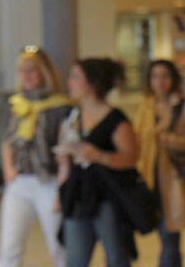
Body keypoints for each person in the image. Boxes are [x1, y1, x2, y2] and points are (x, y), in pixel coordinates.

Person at [57, 58, 140, 267]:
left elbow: (131, 157)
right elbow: (64, 161)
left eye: (76, 77)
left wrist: (101, 156)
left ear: (93, 83)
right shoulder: (71, 116)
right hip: (77, 194)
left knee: (116, 256)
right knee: (75, 258)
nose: (70, 82)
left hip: (108, 195)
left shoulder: (115, 118)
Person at [0, 47, 72, 267]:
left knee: (59, 248)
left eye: (32, 71)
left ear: (45, 73)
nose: (26, 76)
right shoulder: (15, 105)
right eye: (22, 71)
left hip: (49, 182)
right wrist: (9, 170)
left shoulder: (61, 107)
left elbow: (65, 149)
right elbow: (7, 140)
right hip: (20, 183)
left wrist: (61, 187)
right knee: (9, 249)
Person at [136, 60, 185, 267]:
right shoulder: (146, 107)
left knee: (170, 240)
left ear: (174, 79)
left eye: (165, 76)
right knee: (166, 239)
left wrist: (174, 141)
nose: (160, 82)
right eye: (155, 76)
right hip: (149, 180)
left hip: (173, 183)